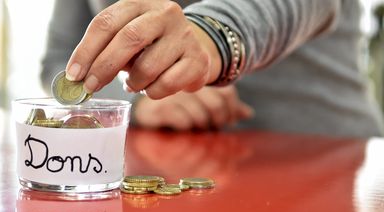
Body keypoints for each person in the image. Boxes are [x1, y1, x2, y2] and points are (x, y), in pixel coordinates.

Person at [41, 0, 384, 138]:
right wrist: (136, 102)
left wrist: (210, 36)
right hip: (170, 170)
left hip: (320, 161)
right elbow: (61, 56)